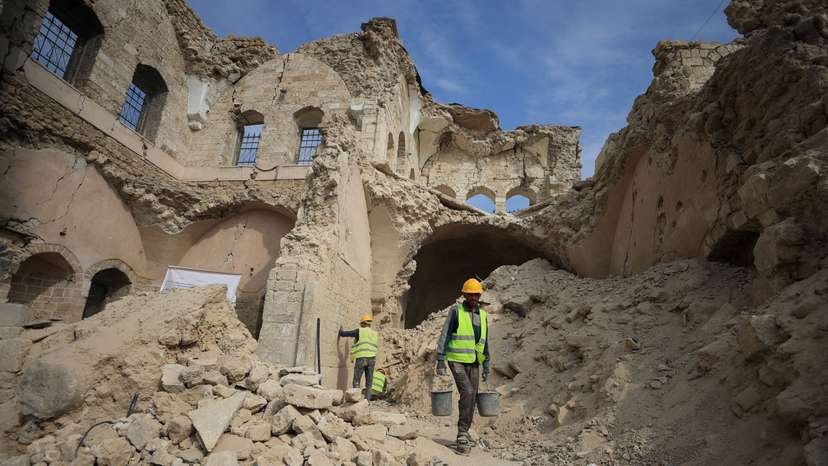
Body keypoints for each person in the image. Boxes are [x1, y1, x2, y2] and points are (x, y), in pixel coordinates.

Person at [435, 278, 491, 454]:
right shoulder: (456, 311)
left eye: (476, 294)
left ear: (479, 295)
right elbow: (445, 334)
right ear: (465, 295)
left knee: (472, 395)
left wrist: (487, 363)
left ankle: (465, 432)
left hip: (474, 361)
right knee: (466, 391)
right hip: (456, 359)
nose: (473, 297)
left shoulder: (482, 315)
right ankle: (461, 432)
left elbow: (484, 340)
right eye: (470, 294)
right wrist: (440, 359)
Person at [338, 314, 379, 400]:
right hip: (372, 359)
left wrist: (341, 331)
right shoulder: (374, 333)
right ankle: (366, 402)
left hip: (361, 358)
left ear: (362, 323)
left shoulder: (360, 331)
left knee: (356, 381)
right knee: (369, 382)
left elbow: (345, 334)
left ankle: (355, 400)